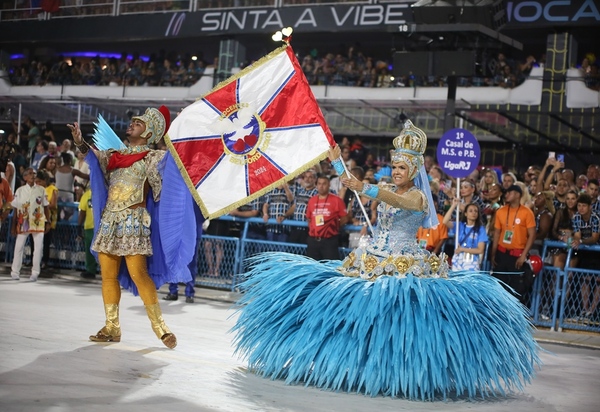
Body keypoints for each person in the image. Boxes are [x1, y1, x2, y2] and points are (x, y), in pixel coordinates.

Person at [233, 121, 539, 400]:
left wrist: (368, 188)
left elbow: (394, 200)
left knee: (398, 317)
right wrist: (336, 159)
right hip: (375, 257)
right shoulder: (389, 188)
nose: (396, 172)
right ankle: (354, 364)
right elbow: (352, 182)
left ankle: (398, 373)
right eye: (393, 167)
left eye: (402, 168)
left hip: (406, 262)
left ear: (414, 169)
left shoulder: (417, 196)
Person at [67, 105, 193, 349]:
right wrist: (80, 142)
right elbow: (93, 157)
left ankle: (161, 327)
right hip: (109, 219)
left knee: (139, 274)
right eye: (133, 121)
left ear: (149, 133)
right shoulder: (114, 154)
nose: (132, 124)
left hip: (133, 220)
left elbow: (177, 162)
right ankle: (111, 326)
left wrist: (179, 128)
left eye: (138, 123)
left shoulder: (153, 158)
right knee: (107, 276)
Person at [491, 184, 537, 304]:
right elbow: (497, 233)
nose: (506, 195)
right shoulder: (500, 211)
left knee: (516, 288)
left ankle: (514, 316)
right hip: (501, 253)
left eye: (510, 192)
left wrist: (523, 256)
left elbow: (532, 235)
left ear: (517, 195)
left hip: (517, 255)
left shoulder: (527, 212)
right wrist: (493, 253)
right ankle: (497, 313)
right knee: (498, 284)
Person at [10, 167, 50, 281]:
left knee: (38, 248)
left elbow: (46, 207)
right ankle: (15, 271)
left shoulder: (41, 190)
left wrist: (48, 222)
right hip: (23, 222)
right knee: (19, 246)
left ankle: (35, 272)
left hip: (38, 222)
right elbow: (16, 209)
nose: (33, 175)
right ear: (25, 177)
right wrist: (13, 225)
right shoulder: (20, 191)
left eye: (34, 174)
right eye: (30, 174)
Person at [305, 175, 349, 260]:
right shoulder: (312, 200)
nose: (321, 186)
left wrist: (334, 226)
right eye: (319, 184)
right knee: (312, 266)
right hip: (313, 240)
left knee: (330, 267)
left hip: (329, 240)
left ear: (329, 185)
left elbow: (345, 218)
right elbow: (309, 218)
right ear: (316, 185)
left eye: (324, 184)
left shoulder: (336, 200)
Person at [571, 193, 600, 321]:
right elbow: (577, 235)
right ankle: (584, 310)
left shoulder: (596, 218)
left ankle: (592, 311)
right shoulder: (576, 217)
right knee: (584, 279)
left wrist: (581, 241)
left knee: (598, 281)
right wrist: (578, 240)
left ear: (590, 207)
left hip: (597, 251)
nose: (581, 208)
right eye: (579, 205)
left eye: (584, 206)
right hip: (586, 252)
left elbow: (595, 238)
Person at [443, 198, 488, 271]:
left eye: (476, 211)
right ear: (465, 214)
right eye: (470, 211)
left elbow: (480, 250)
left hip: (472, 260)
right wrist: (454, 205)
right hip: (458, 259)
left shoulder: (480, 229)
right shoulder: (460, 226)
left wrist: (462, 249)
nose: (474, 213)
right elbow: (445, 221)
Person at [37, 170, 58, 270]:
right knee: (35, 241)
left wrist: (43, 206)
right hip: (37, 218)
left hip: (48, 218)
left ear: (45, 180)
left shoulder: (52, 189)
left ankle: (45, 261)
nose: (38, 183)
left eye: (40, 181)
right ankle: (35, 261)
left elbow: (53, 205)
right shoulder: (37, 189)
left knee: (46, 241)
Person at [77, 185, 98, 279]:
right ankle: (90, 270)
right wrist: (79, 226)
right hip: (89, 227)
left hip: (102, 227)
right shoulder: (86, 195)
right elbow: (82, 212)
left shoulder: (103, 193)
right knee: (90, 250)